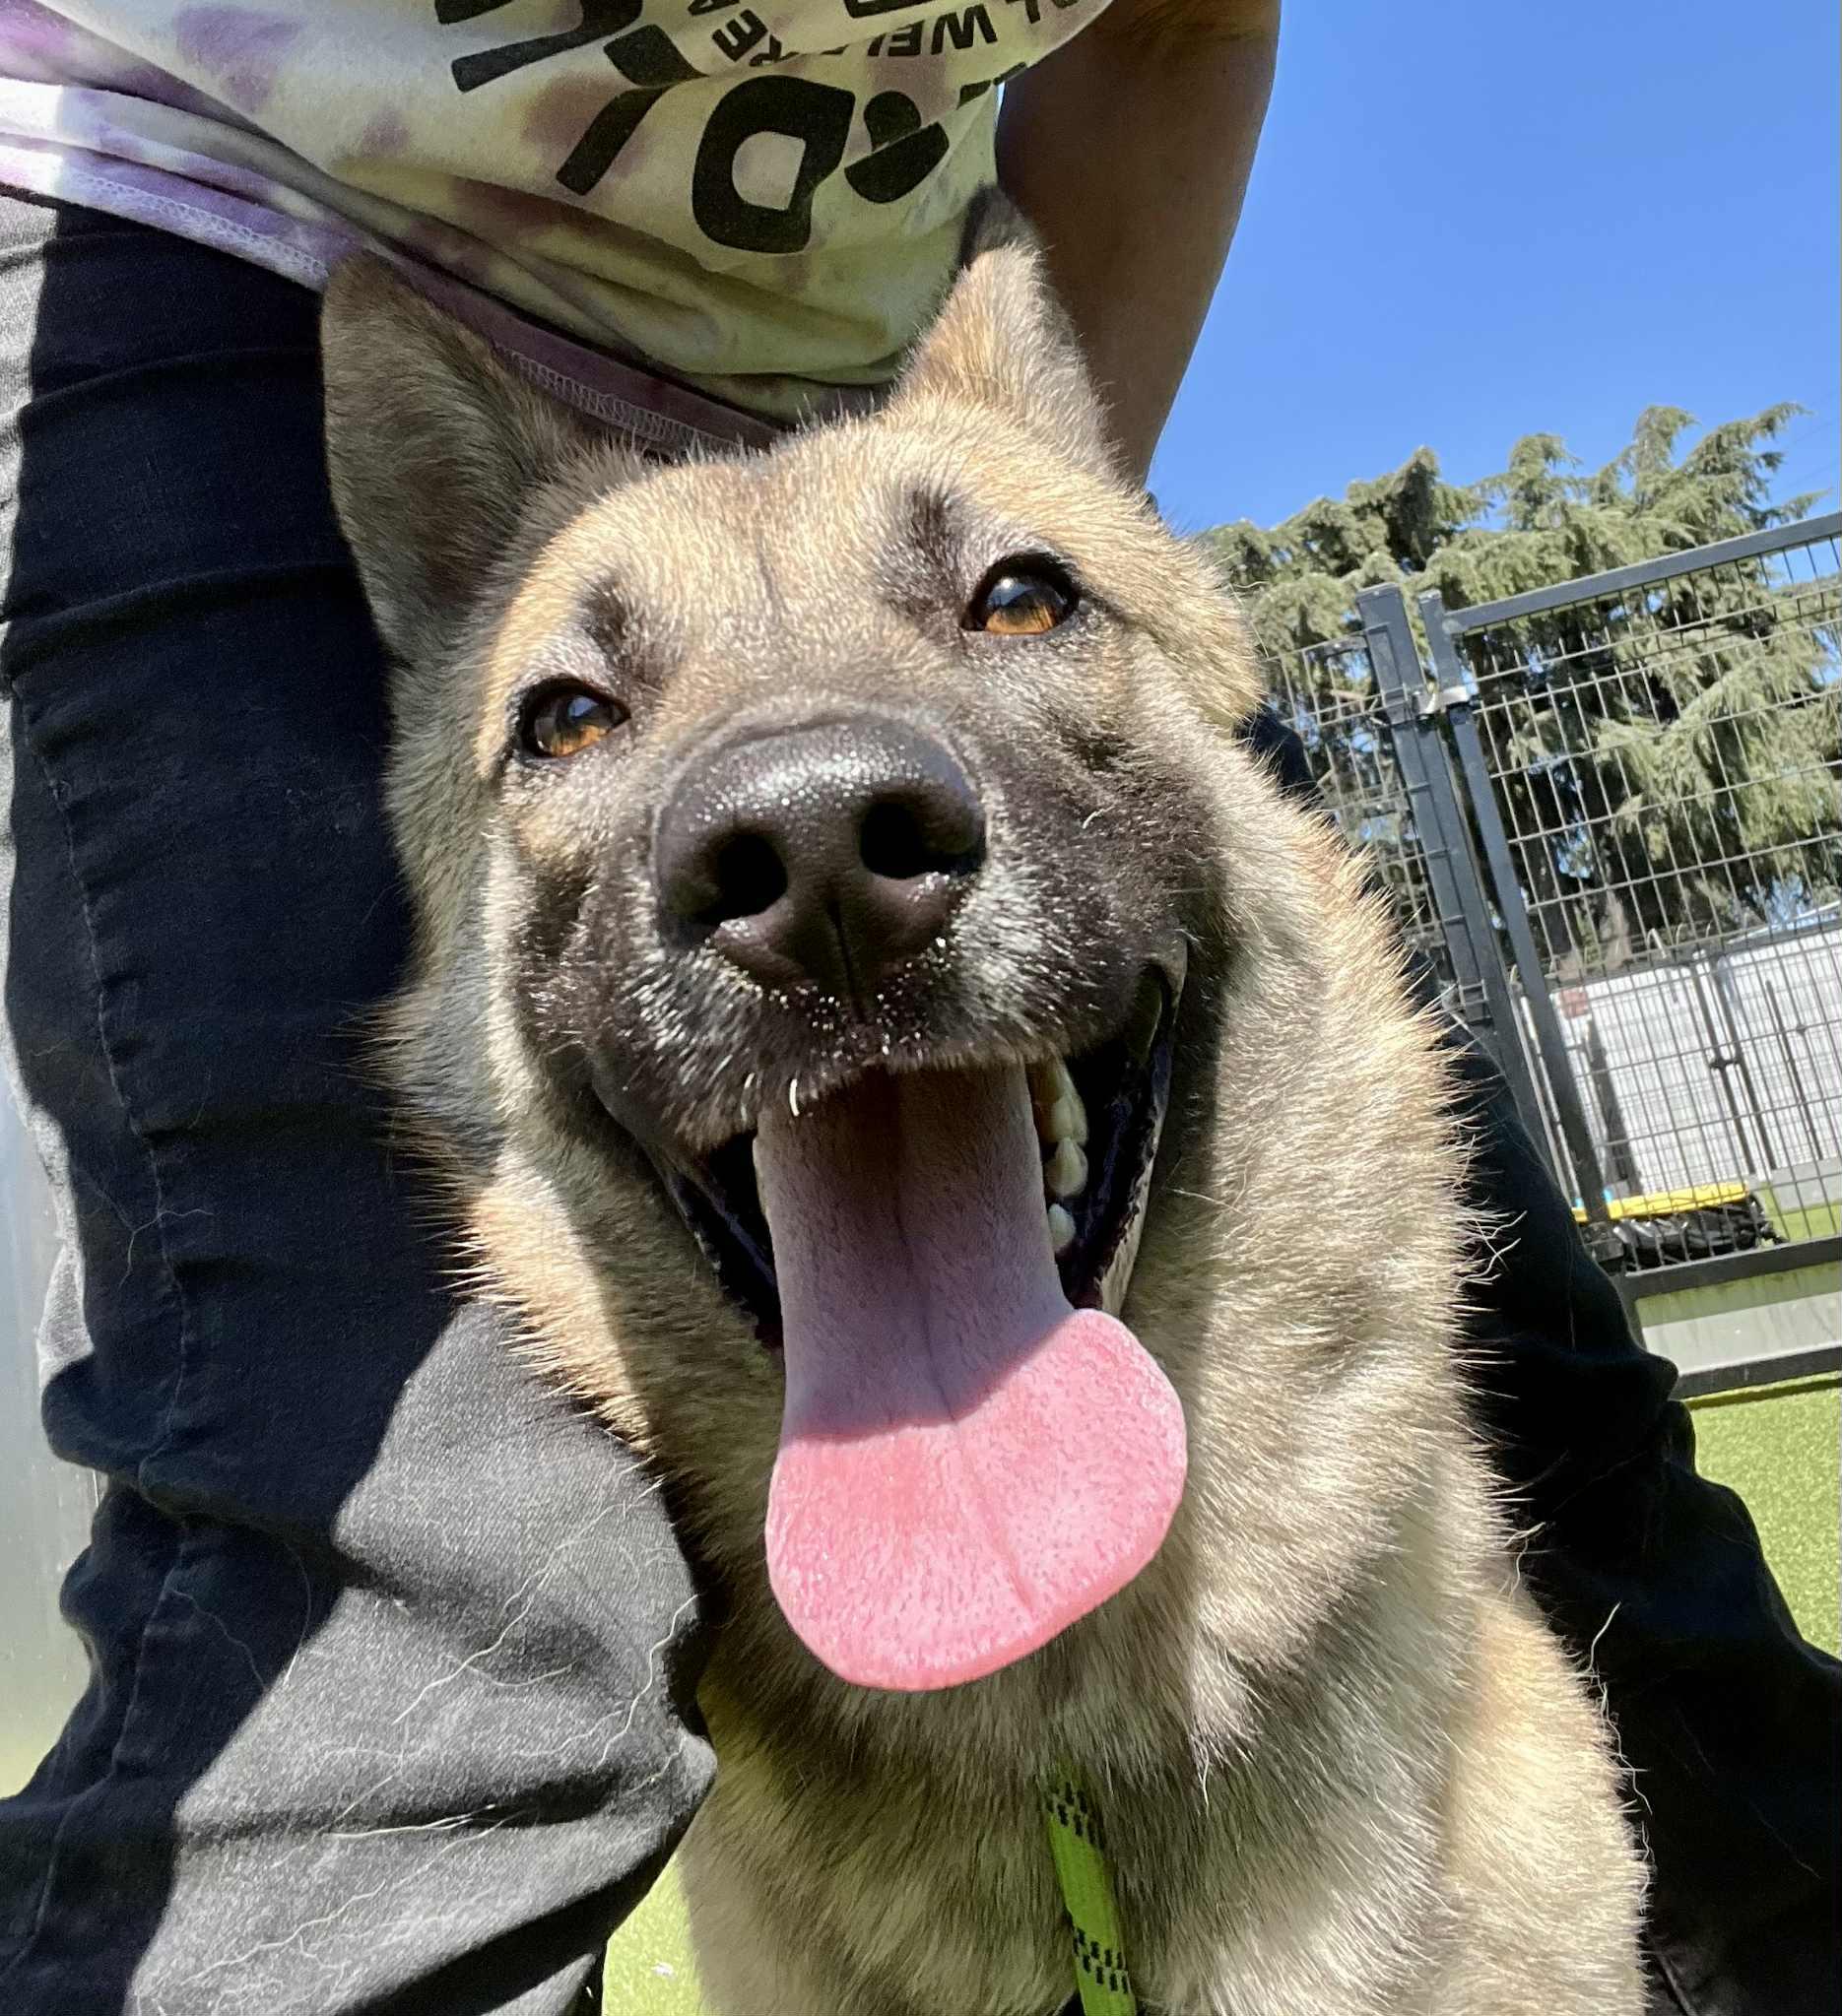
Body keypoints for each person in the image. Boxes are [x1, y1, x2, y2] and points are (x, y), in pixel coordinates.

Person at [0, 5, 1831, 2012]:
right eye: (573, 717)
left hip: (858, 319)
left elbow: (1177, 26)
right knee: (426, 1626)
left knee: (1567, 1422)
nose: (806, 816)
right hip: (219, 239)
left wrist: (1046, 543)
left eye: (1016, 603)